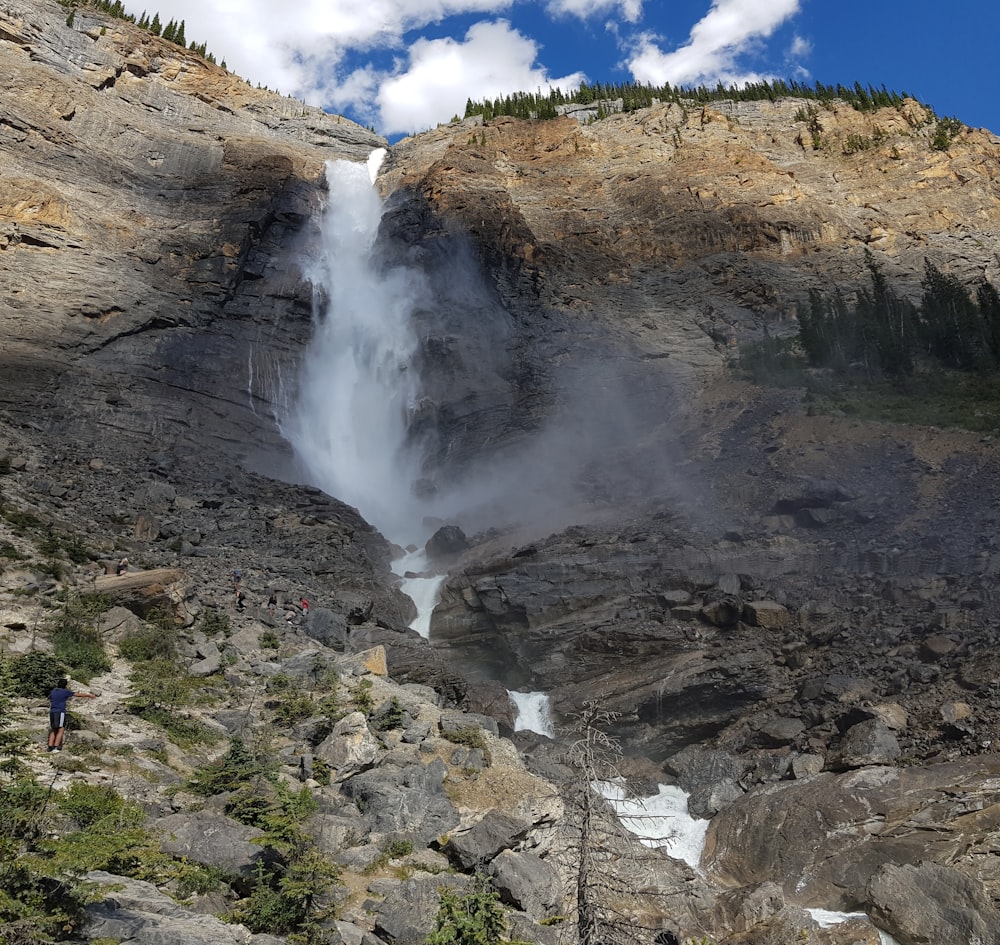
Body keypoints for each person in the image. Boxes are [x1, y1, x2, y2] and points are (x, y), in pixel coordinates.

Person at [48, 678, 96, 751]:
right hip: (60, 711)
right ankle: (56, 747)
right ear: (65, 685)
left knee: (53, 729)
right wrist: (88, 695)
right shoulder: (65, 692)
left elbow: (50, 698)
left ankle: (50, 747)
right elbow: (77, 694)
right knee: (61, 729)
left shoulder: (53, 691)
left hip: (52, 711)